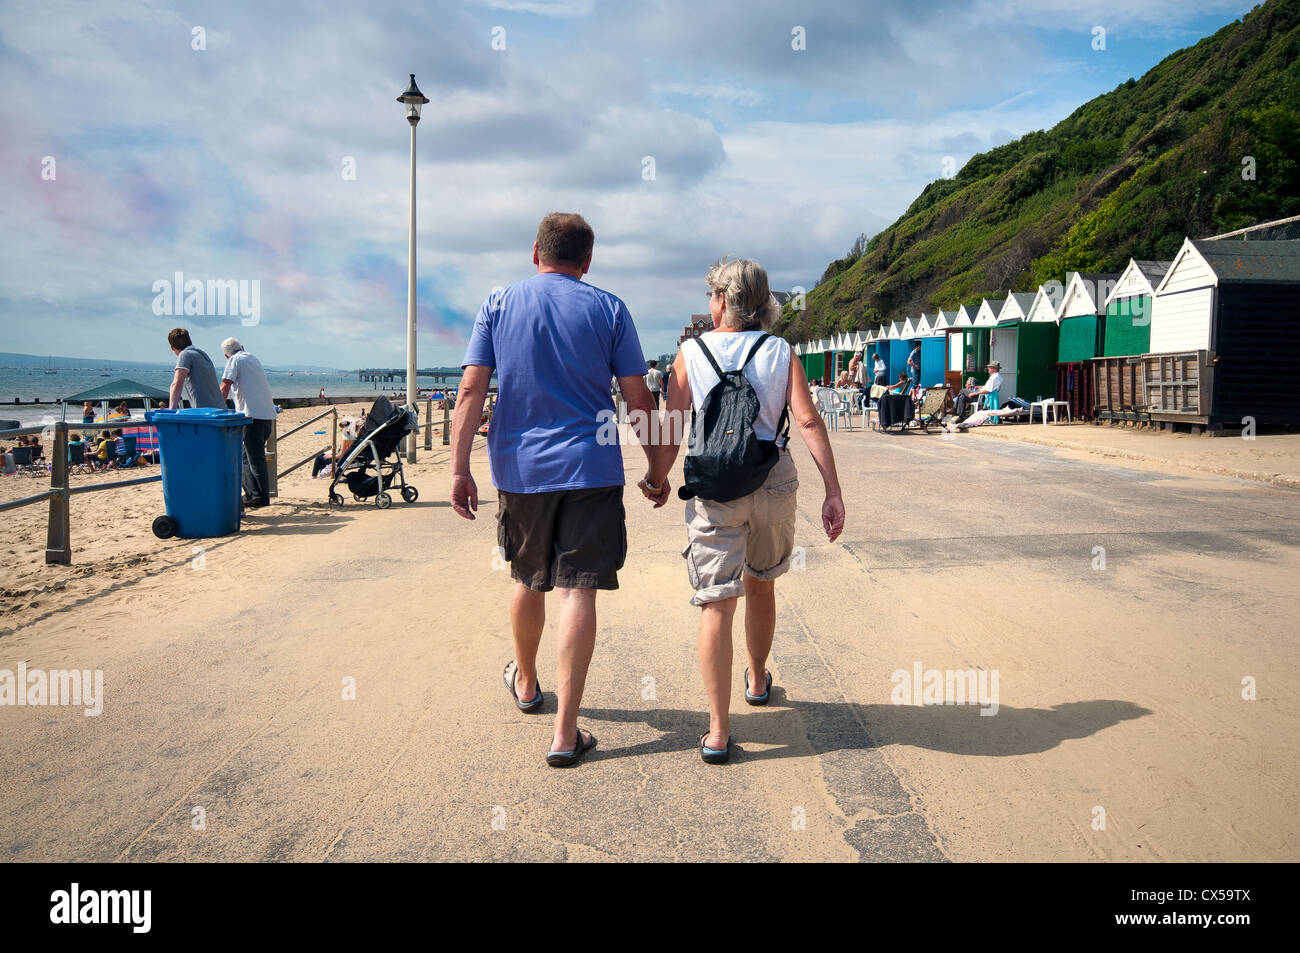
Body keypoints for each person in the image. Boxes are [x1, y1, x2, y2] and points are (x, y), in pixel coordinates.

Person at [450, 211, 656, 768]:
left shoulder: (498, 303)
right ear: (587, 262)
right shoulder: (610, 308)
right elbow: (639, 401)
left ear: (534, 253)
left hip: (520, 472)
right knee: (578, 590)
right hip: (592, 468)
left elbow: (471, 389)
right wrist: (658, 469)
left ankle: (526, 683)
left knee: (526, 577)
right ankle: (565, 734)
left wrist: (458, 468)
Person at [639, 257, 845, 765]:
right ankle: (757, 678)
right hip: (773, 479)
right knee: (762, 582)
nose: (709, 304)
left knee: (716, 603)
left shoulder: (690, 353)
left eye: (712, 295)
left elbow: (673, 426)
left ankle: (717, 730)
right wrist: (833, 490)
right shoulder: (780, 351)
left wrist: (658, 479)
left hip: (714, 486)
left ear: (723, 301)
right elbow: (809, 422)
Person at [220, 337, 278, 508]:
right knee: (249, 456)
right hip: (267, 415)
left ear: (226, 356)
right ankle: (255, 495)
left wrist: (216, 407)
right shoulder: (253, 358)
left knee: (252, 459)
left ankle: (259, 497)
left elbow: (225, 384)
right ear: (242, 347)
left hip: (251, 416)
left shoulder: (234, 360)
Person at [167, 328, 224, 410]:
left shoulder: (185, 355)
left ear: (172, 348)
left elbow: (176, 384)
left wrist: (171, 412)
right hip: (220, 409)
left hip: (204, 413)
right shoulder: (202, 354)